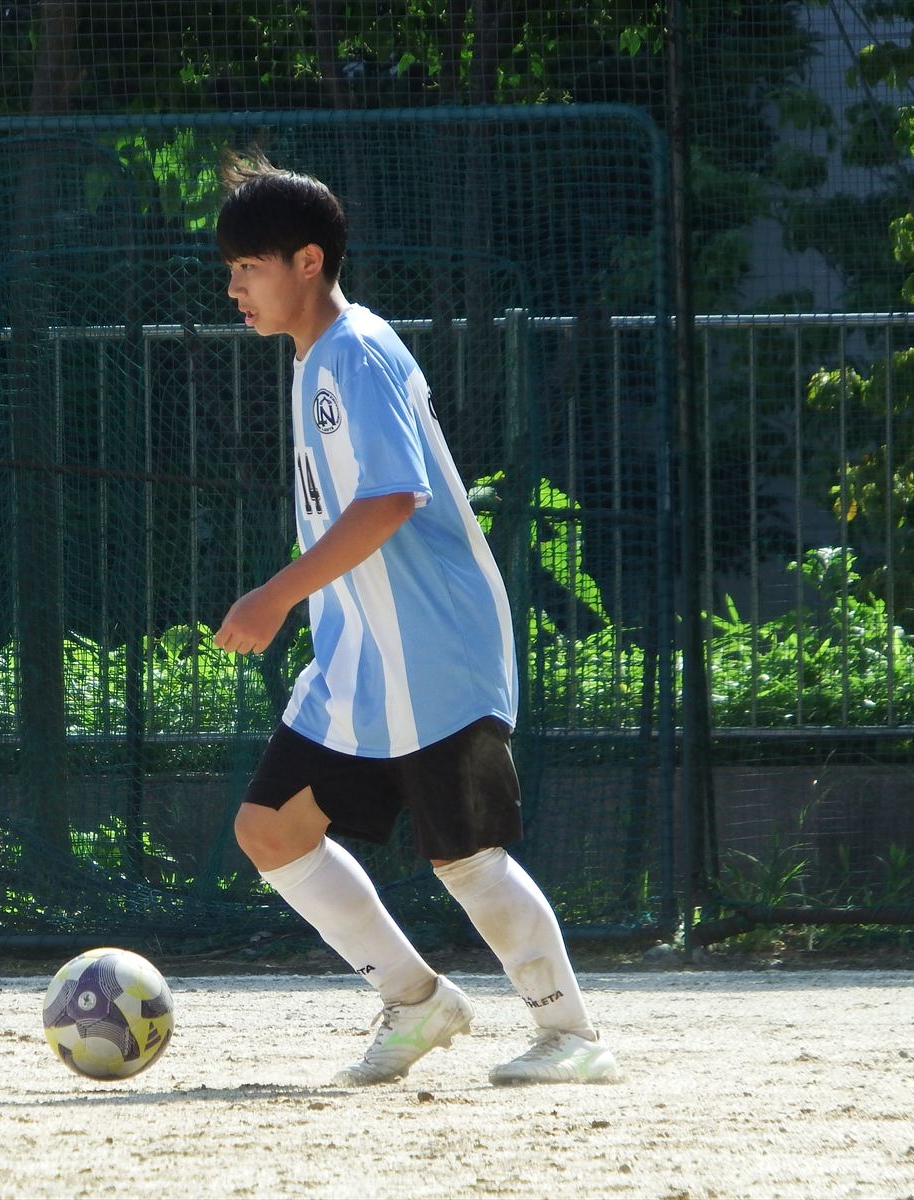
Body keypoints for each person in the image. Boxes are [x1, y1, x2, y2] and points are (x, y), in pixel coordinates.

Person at [212, 151, 617, 1088]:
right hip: (361, 659)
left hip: (433, 650)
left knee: (466, 857)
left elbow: (394, 496)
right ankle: (415, 999)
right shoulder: (319, 357)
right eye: (230, 269)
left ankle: (571, 1034)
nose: (234, 287)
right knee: (270, 829)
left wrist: (276, 594)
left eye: (249, 267)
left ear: (308, 262)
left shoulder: (355, 350)